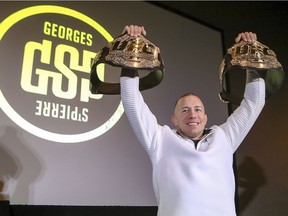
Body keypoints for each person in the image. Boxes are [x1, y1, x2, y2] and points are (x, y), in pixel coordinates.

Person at [120, 25, 265, 216]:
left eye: (198, 109)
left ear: (205, 117)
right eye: (185, 110)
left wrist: (251, 55)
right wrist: (131, 47)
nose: (192, 115)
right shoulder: (160, 140)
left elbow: (254, 103)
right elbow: (131, 100)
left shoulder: (224, 138)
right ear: (174, 119)